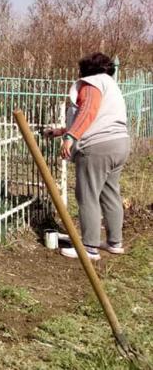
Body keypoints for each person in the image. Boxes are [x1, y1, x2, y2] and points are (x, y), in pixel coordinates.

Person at [43, 53, 129, 260]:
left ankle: (88, 247)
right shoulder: (111, 85)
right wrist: (62, 131)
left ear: (86, 70)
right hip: (119, 143)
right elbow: (97, 118)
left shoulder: (91, 83)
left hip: (97, 148)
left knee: (87, 195)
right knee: (110, 193)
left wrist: (70, 137)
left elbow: (88, 111)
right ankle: (114, 242)